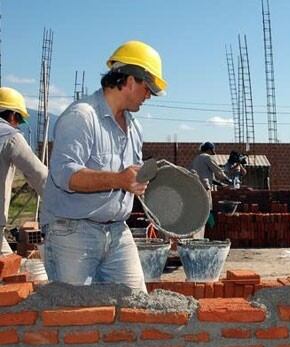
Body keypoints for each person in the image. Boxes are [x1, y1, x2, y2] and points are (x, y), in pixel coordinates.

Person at [41, 40, 168, 291]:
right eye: (148, 88)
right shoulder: (82, 117)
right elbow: (65, 176)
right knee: (75, 317)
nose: (149, 96)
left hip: (118, 232)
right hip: (73, 233)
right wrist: (118, 180)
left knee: (136, 306)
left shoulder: (134, 128)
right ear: (130, 80)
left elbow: (132, 179)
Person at [0, 87, 47, 254]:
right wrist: (61, 204)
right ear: (13, 115)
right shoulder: (9, 136)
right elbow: (39, 175)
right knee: (9, 273)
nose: (18, 124)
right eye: (19, 119)